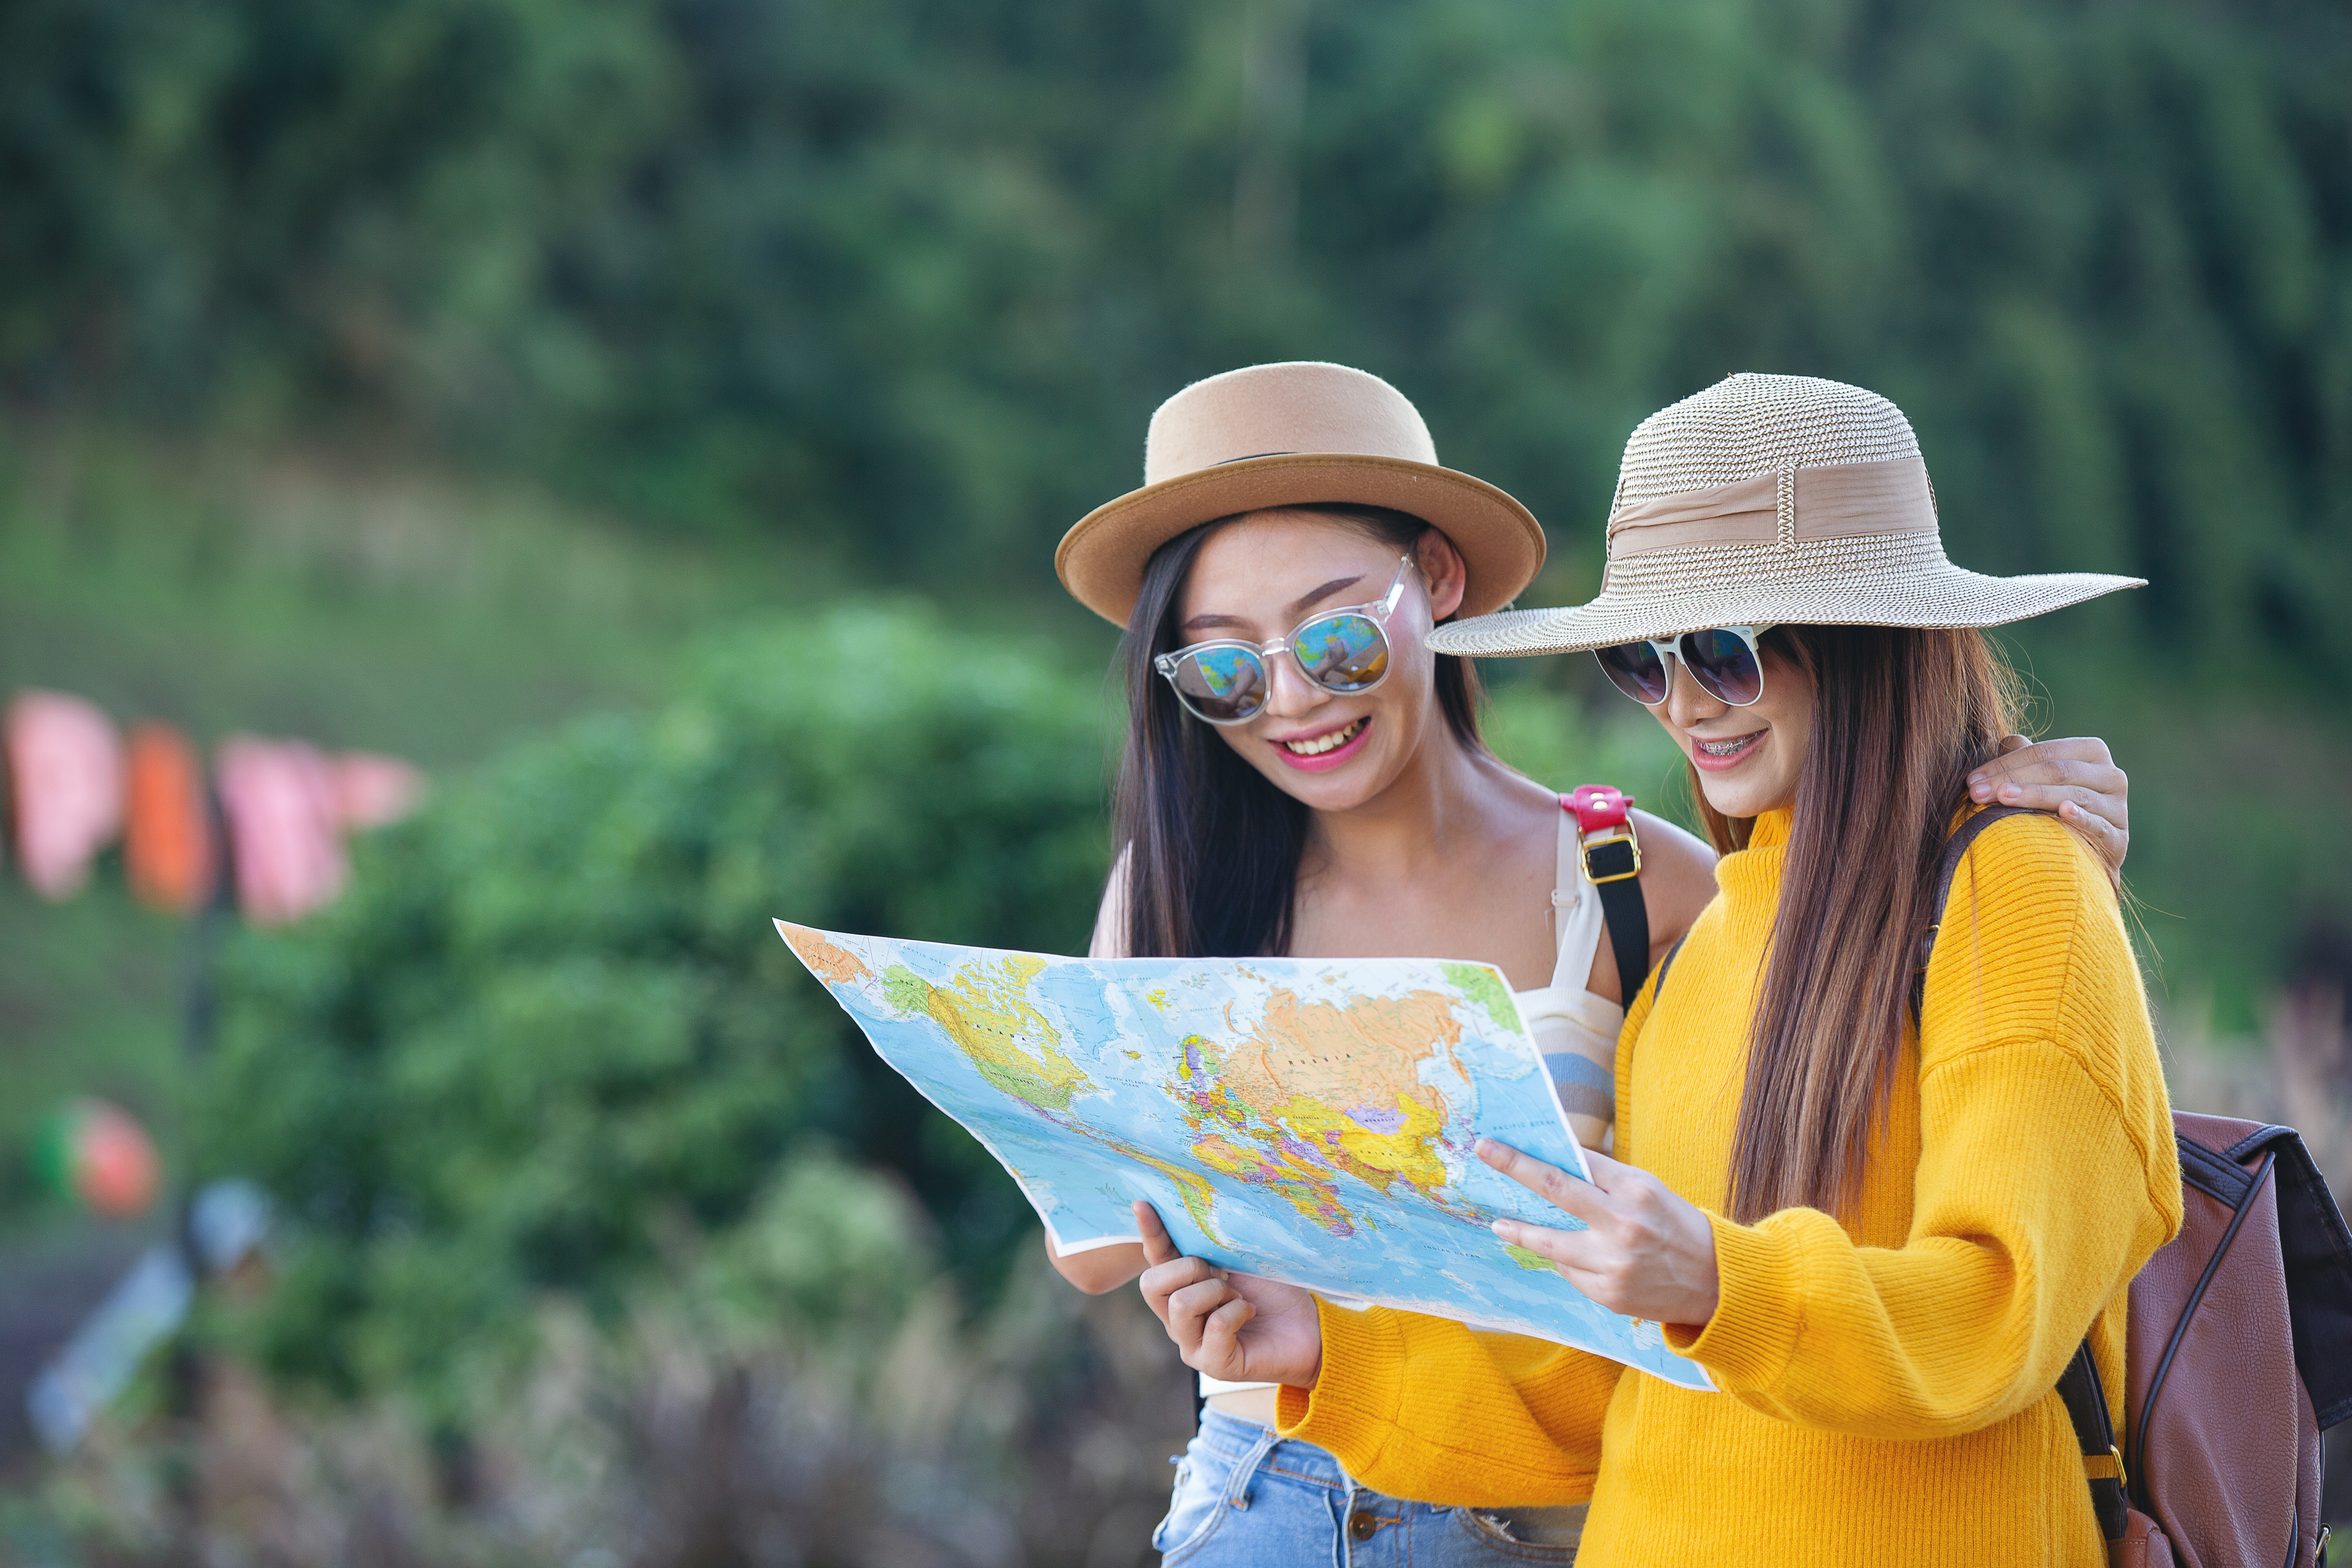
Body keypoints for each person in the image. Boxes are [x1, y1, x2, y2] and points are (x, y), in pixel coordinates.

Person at [1134, 373, 2178, 1567]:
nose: (1682, 705)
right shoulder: (1704, 950)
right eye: (1640, 661)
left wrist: (1718, 1277)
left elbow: (2003, 1309)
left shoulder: (2013, 885)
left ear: (1870, 636)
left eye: (1720, 654)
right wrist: (1326, 1351)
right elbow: (1613, 1386)